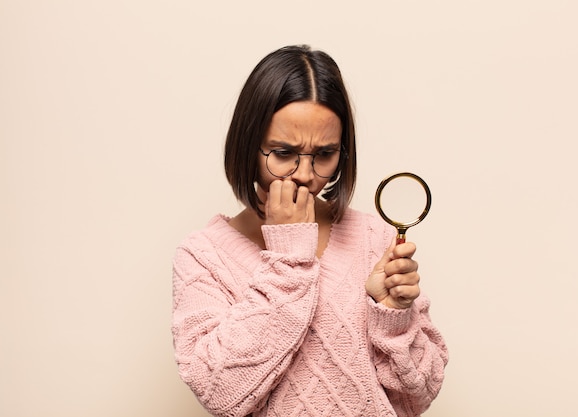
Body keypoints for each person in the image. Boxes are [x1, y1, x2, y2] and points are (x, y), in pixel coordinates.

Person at [171, 45, 448, 417]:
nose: (303, 174)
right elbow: (220, 393)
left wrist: (392, 315)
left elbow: (418, 398)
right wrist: (288, 258)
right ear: (248, 146)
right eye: (283, 153)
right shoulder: (203, 256)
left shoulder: (373, 238)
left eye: (323, 155)